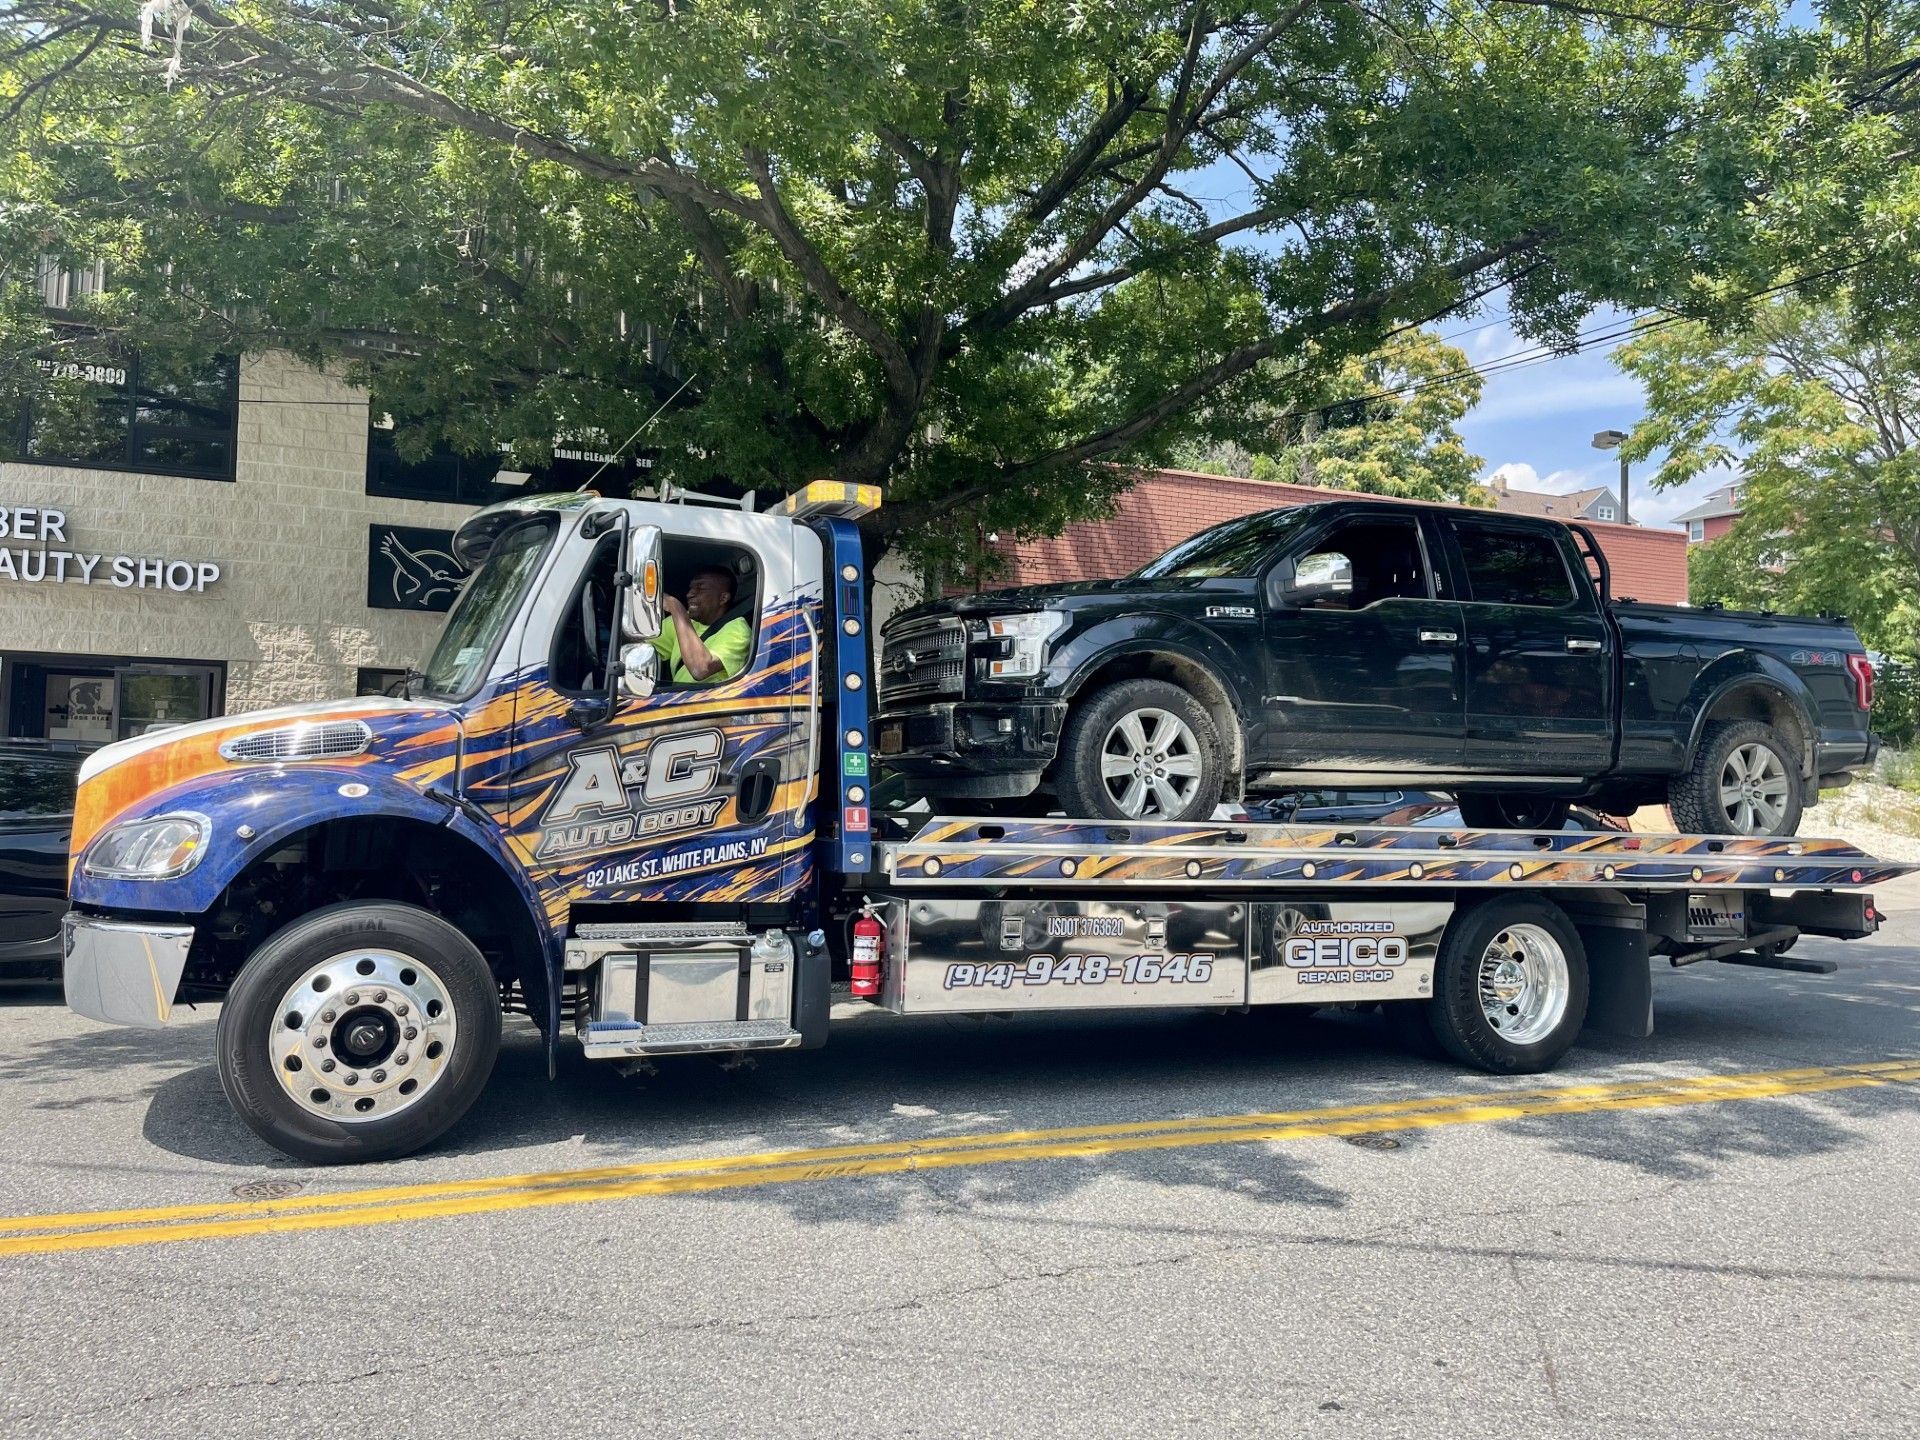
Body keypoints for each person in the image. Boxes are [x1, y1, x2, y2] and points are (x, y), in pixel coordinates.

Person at [653, 564, 751, 684]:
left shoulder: (737, 630)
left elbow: (701, 669)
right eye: (691, 588)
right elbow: (638, 643)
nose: (689, 594)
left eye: (700, 588)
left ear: (723, 598)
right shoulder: (687, 621)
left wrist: (674, 606)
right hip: (677, 700)